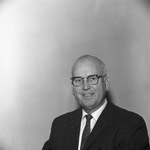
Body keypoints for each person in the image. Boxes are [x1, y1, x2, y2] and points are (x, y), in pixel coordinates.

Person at [42, 55, 150, 150]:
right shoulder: (60, 125)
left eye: (92, 79)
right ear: (73, 88)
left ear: (106, 83)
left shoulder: (130, 125)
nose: (85, 87)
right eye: (78, 80)